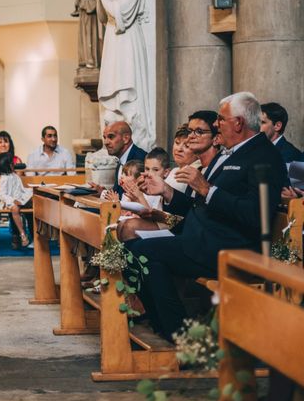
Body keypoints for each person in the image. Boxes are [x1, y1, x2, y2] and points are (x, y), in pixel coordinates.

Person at [130, 92, 286, 341]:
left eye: (221, 119)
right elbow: (199, 206)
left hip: (228, 248)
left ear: (238, 123)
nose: (216, 124)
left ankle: (180, 335)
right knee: (132, 249)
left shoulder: (262, 156)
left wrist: (207, 189)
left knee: (142, 253)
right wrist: (168, 191)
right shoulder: (233, 153)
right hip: (202, 240)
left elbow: (256, 214)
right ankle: (169, 328)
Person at [97, 0, 153, 150]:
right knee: (113, 95)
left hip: (126, 40)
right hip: (113, 41)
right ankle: (112, 143)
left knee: (127, 91)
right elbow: (104, 18)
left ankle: (136, 142)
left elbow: (122, 15)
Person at [0, 152, 33, 248]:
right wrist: (13, 200)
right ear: (5, 165)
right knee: (15, 209)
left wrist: (29, 192)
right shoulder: (4, 178)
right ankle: (22, 233)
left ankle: (37, 233)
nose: (14, 165)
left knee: (33, 202)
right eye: (12, 163)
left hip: (19, 199)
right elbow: (2, 195)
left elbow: (21, 189)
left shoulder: (15, 176)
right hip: (8, 201)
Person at [100, 120, 147, 195]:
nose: (106, 142)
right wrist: (102, 192)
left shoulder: (140, 159)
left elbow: (134, 197)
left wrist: (103, 193)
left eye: (111, 137)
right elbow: (119, 195)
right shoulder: (121, 159)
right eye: (104, 137)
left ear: (126, 138)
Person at [164, 124, 199, 193]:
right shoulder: (174, 171)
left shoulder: (196, 176)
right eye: (177, 143)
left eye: (187, 146)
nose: (179, 149)